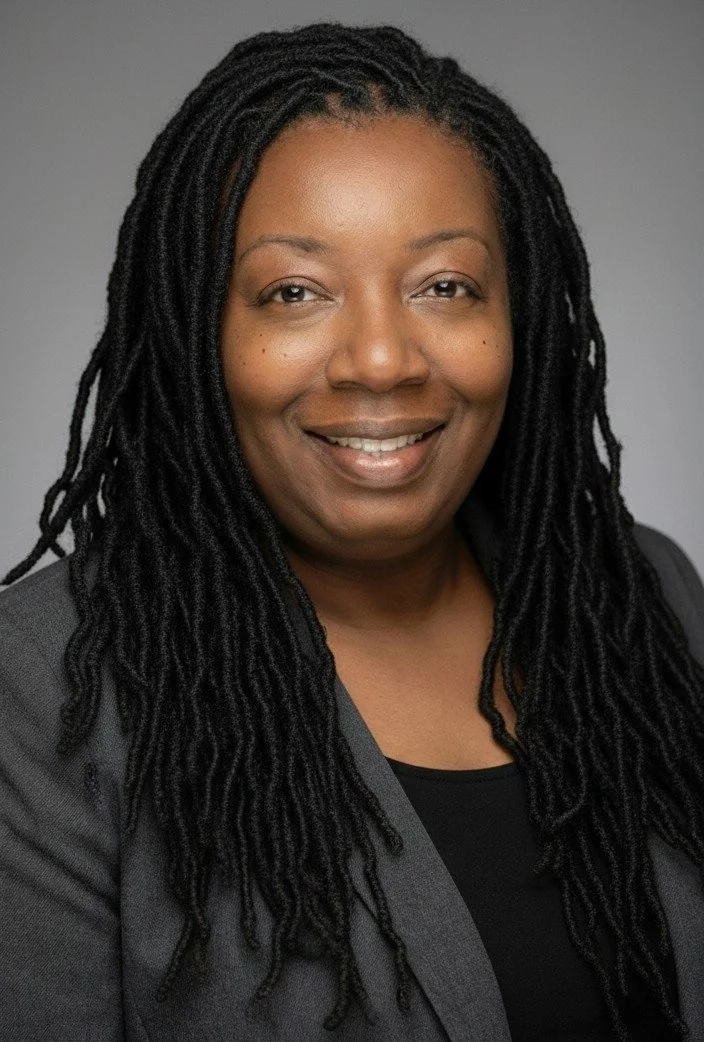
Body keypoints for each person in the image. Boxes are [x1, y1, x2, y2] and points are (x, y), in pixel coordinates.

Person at [1, 20, 703, 1042]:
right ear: (200, 330)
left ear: (521, 316)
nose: (379, 359)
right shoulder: (44, 687)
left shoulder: (643, 598)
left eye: (444, 286)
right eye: (294, 292)